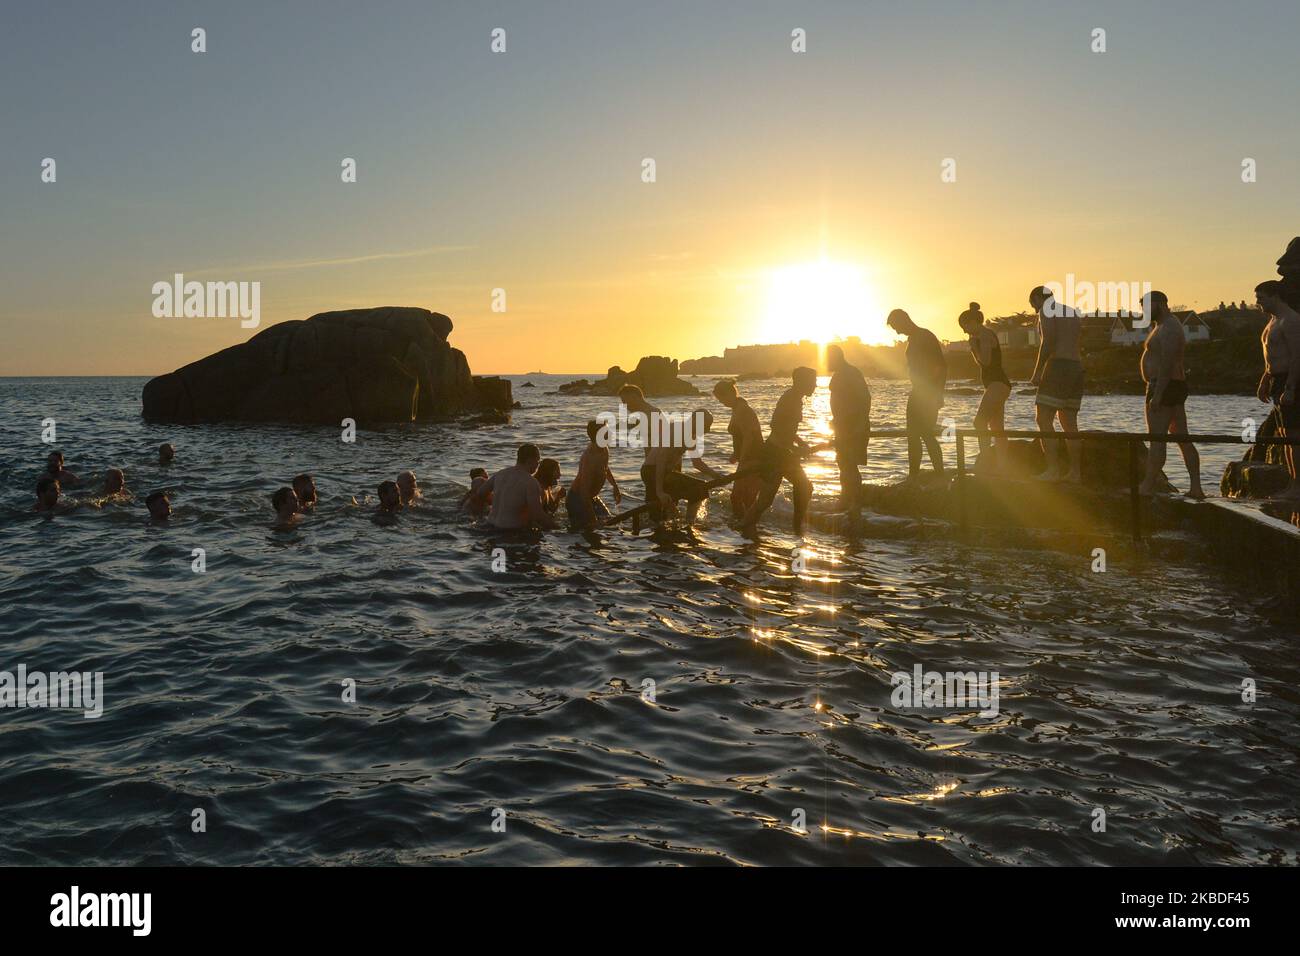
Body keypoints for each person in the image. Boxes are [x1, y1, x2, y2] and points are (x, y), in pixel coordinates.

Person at [1138, 291, 1204, 498]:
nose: (1144, 312)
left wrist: (1157, 394)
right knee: (1181, 437)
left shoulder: (1170, 327)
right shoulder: (1162, 326)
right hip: (1168, 385)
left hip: (1165, 386)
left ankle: (1147, 486)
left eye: (1147, 306)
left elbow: (1167, 363)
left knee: (1157, 438)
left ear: (1161, 304)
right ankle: (1196, 488)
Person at [740, 367, 818, 534]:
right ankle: (746, 526)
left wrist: (800, 443)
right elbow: (777, 427)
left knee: (803, 487)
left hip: (783, 453)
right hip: (775, 453)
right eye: (813, 382)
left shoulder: (796, 399)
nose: (815, 385)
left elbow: (788, 430)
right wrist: (793, 447)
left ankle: (797, 525)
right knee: (766, 500)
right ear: (802, 382)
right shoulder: (790, 399)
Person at [1029, 286, 1084, 482]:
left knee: (1043, 419)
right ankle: (1075, 473)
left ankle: (1052, 470)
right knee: (1069, 422)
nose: (1034, 310)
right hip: (1076, 366)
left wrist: (1037, 371)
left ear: (1037, 298)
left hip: (1058, 366)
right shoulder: (1071, 311)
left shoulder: (1047, 309)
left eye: (1033, 304)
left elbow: (1048, 341)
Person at [887, 309, 946, 480]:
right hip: (917, 392)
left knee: (926, 434)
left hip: (927, 393)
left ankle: (939, 474)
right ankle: (914, 475)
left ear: (904, 321)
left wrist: (936, 394)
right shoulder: (913, 339)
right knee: (913, 435)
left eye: (896, 327)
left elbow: (941, 367)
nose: (897, 332)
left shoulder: (925, 336)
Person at [1256, 280, 1300, 500]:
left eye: (1261, 298)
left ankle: (1297, 486)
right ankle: (1293, 484)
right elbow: (1270, 357)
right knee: (1284, 435)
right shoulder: (1273, 321)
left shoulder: (1291, 320)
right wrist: (1265, 380)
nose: (1257, 303)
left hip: (1290, 381)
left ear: (1275, 296)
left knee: (1294, 436)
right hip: (1276, 380)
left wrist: (1291, 388)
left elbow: (1296, 357)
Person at [641, 409, 717, 527]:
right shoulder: (676, 429)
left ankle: (685, 523)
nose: (708, 430)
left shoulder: (692, 437)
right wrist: (660, 491)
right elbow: (661, 459)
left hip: (666, 473)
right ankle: (689, 524)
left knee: (660, 517)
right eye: (706, 425)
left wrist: (716, 475)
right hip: (652, 472)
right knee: (699, 489)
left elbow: (697, 463)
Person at [958, 303, 1011, 473]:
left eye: (964, 327)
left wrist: (974, 348)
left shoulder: (985, 335)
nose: (964, 331)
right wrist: (974, 347)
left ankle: (986, 462)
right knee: (997, 428)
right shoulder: (982, 336)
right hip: (997, 384)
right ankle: (1002, 466)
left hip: (997, 383)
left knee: (979, 422)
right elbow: (983, 362)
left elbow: (986, 362)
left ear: (972, 322)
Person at [826, 344, 871, 527]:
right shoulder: (839, 374)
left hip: (854, 427)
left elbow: (865, 399)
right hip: (842, 426)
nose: (826, 363)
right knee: (843, 463)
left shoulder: (851, 373)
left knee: (850, 465)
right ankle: (846, 498)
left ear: (836, 357)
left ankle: (854, 503)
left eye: (828, 359)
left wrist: (859, 425)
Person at [474, 443, 556, 531]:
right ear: (530, 460)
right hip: (510, 532)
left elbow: (480, 493)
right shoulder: (530, 482)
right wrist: (558, 529)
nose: (537, 465)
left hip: (489, 526)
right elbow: (537, 514)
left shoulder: (500, 474)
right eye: (538, 461)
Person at [712, 380, 764, 517]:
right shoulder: (737, 408)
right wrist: (736, 453)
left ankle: (747, 526)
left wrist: (743, 459)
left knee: (742, 498)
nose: (721, 403)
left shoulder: (742, 410)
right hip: (747, 458)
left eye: (721, 399)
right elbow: (740, 436)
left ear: (730, 394)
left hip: (753, 458)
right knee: (740, 498)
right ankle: (745, 526)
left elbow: (749, 437)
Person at [567, 420, 622, 531]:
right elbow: (583, 492)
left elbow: (605, 468)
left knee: (608, 520)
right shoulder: (590, 458)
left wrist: (615, 487)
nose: (610, 433)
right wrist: (592, 518)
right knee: (590, 527)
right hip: (577, 498)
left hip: (591, 497)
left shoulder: (604, 449)